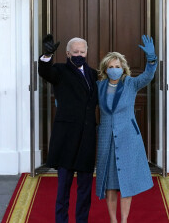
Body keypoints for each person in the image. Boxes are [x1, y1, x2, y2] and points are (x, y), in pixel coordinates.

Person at [96, 35, 157, 223]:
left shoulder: (131, 83)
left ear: (123, 68)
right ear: (106, 69)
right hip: (107, 139)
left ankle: (124, 221)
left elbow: (148, 76)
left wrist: (152, 59)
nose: (115, 69)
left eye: (118, 66)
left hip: (128, 138)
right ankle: (113, 220)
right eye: (111, 67)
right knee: (110, 185)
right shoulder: (99, 86)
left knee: (127, 184)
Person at [38, 34, 98, 223]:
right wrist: (46, 55)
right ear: (67, 53)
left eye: (82, 51)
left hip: (87, 137)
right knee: (63, 187)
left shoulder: (93, 74)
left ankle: (81, 220)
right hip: (66, 138)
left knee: (85, 189)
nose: (79, 54)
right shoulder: (60, 70)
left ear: (87, 52)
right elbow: (45, 72)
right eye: (75, 52)